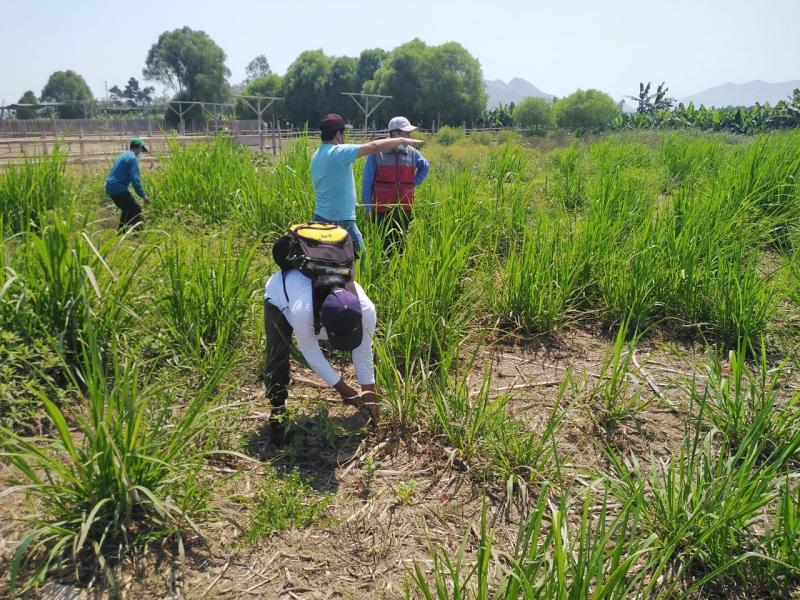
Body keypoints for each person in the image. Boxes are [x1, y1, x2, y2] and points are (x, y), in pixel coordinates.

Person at [263, 266, 378, 443]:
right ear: (322, 320)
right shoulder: (303, 312)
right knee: (277, 356)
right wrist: (346, 392)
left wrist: (368, 394)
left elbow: (363, 351)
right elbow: (312, 355)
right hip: (281, 296)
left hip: (310, 306)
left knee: (368, 369)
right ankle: (277, 414)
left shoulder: (366, 310)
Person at [310, 114, 423, 257]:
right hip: (341, 219)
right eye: (344, 133)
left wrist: (351, 203)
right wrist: (401, 140)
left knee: (328, 258)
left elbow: (330, 185)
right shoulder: (338, 152)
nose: (345, 137)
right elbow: (374, 146)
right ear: (338, 134)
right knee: (362, 258)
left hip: (321, 217)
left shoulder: (317, 154)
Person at [362, 116, 430, 249]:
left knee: (401, 243)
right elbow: (367, 182)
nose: (409, 137)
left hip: (405, 207)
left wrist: (412, 183)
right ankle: (382, 268)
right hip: (382, 207)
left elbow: (425, 167)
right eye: (406, 134)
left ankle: (398, 267)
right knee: (383, 243)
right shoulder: (377, 153)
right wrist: (367, 207)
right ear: (395, 134)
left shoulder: (413, 153)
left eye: (410, 133)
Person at [104, 137, 150, 232]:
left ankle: (121, 233)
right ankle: (138, 234)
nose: (141, 153)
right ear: (139, 148)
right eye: (142, 150)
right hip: (118, 187)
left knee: (127, 210)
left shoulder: (123, 155)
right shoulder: (133, 158)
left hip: (111, 187)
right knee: (135, 209)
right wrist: (143, 195)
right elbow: (135, 179)